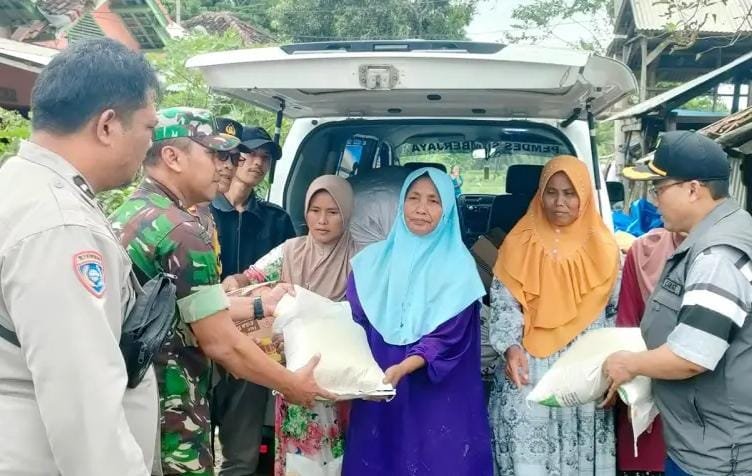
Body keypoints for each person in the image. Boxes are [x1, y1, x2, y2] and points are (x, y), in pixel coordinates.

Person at [110, 107, 332, 475]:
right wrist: (291, 385)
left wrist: (262, 305)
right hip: (170, 404)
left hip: (133, 397)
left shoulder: (134, 211)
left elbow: (192, 305)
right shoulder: (181, 230)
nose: (224, 166)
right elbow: (221, 343)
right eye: (214, 154)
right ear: (172, 157)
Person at [0, 38, 160, 475]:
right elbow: (83, 403)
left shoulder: (19, 186)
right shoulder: (60, 227)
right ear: (107, 125)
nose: (151, 144)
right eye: (148, 127)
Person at [602, 131, 752, 476]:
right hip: (703, 438)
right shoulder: (715, 234)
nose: (654, 201)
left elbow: (691, 356)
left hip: (717, 452)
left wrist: (630, 364)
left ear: (693, 189)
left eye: (659, 189)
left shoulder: (718, 254)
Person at [342, 167, 492, 475]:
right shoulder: (371, 262)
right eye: (413, 198)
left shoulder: (459, 269)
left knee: (437, 462)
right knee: (380, 458)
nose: (421, 209)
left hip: (435, 395)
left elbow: (447, 339)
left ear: (448, 209)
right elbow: (353, 320)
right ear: (401, 204)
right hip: (380, 389)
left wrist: (404, 367)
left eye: (433, 201)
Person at [488, 155, 620, 476]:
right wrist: (511, 347)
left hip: (585, 371)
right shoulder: (517, 242)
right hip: (530, 366)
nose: (559, 202)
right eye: (552, 191)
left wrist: (613, 367)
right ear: (540, 194)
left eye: (570, 193)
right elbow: (504, 303)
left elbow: (615, 312)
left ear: (585, 196)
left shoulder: (606, 246)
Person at [225, 175, 356, 476]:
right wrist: (236, 282)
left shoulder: (360, 258)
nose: (321, 220)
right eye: (314, 210)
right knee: (298, 458)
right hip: (293, 373)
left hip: (342, 377)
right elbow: (252, 276)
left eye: (332, 212)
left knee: (341, 456)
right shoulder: (291, 250)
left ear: (346, 214)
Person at [209, 123, 296, 476]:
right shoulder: (201, 213)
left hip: (254, 346)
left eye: (265, 157)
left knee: (242, 454)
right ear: (231, 155)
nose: (257, 162)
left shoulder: (277, 220)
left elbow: (291, 279)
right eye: (250, 153)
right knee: (186, 448)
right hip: (203, 342)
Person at [615, 228, 684, 476]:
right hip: (645, 384)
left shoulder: (727, 252)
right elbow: (627, 326)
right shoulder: (644, 251)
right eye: (657, 189)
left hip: (706, 400)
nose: (659, 198)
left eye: (664, 188)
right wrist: (635, 395)